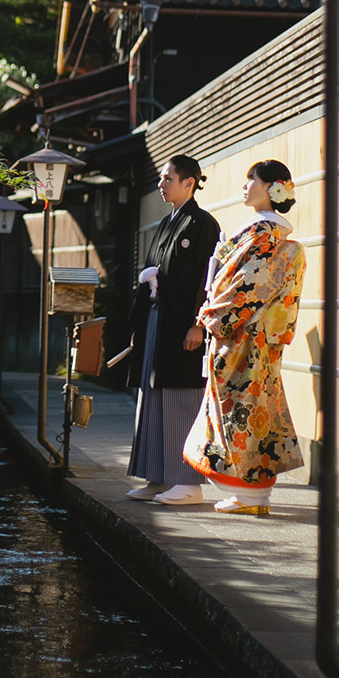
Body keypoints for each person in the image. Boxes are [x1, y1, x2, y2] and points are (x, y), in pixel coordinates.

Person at [184, 159, 306, 516]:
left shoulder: (267, 238)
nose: (245, 185)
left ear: (272, 188)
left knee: (240, 411)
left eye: (251, 179)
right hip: (253, 340)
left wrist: (211, 315)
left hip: (243, 340)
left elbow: (247, 287)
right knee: (252, 411)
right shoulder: (265, 236)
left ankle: (249, 495)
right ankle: (251, 496)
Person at [124, 154, 221, 507]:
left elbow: (206, 281)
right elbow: (151, 271)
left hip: (183, 324)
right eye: (162, 178)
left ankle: (187, 481)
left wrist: (198, 324)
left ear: (189, 183)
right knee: (152, 397)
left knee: (181, 399)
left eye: (167, 179)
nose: (161, 184)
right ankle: (157, 475)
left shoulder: (202, 224)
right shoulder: (166, 224)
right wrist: (139, 325)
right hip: (156, 321)